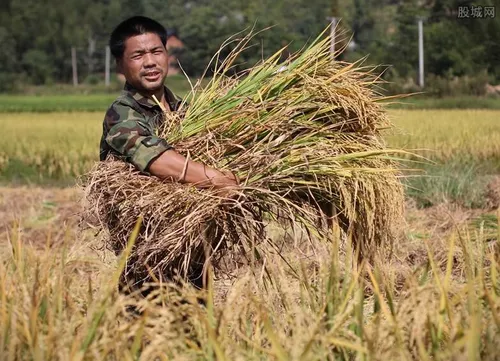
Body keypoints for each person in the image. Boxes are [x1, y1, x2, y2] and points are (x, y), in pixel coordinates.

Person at [100, 16, 239, 295]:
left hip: (195, 255)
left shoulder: (187, 112)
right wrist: (222, 181)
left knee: (200, 332)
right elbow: (157, 159)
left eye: (156, 52)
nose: (149, 62)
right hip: (147, 262)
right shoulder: (122, 114)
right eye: (138, 55)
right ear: (120, 64)